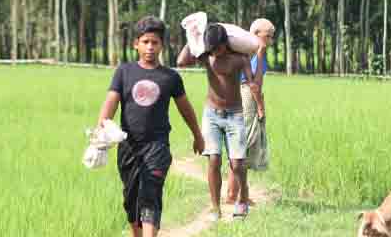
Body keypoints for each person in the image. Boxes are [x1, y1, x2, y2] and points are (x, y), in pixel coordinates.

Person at [96, 16, 205, 237]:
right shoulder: (124, 72)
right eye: (145, 42)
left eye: (155, 42)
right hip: (128, 147)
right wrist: (101, 133)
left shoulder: (170, 77)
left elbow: (186, 109)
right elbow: (110, 104)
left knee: (150, 195)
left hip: (157, 147)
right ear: (136, 44)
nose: (150, 47)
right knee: (131, 200)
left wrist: (198, 135)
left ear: (162, 45)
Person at [176, 23, 265, 221]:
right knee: (214, 160)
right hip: (212, 115)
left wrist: (255, 90)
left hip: (235, 115)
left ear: (226, 43)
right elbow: (181, 61)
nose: (216, 52)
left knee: (237, 163)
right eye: (212, 48)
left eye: (218, 47)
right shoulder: (207, 58)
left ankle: (243, 199)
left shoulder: (239, 60)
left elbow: (252, 81)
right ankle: (215, 208)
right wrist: (193, 35)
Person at [226, 18, 274, 205]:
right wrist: (261, 106)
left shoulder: (250, 52)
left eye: (271, 37)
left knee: (241, 146)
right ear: (255, 34)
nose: (270, 41)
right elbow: (254, 85)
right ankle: (233, 194)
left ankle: (234, 193)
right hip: (247, 100)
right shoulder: (252, 54)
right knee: (242, 146)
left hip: (245, 99)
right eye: (267, 36)